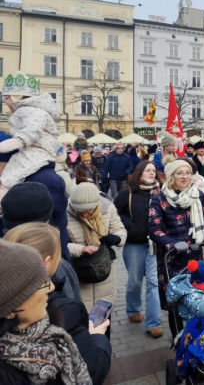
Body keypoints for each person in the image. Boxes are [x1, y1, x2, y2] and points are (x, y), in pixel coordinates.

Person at [4, 223, 112, 384]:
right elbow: (90, 372)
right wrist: (95, 337)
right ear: (46, 262)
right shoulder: (62, 311)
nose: (51, 287)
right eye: (44, 284)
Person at [148, 159, 204, 309]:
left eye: (188, 173)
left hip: (195, 253)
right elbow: (154, 229)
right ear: (171, 176)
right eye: (180, 173)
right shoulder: (159, 199)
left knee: (198, 296)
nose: (185, 177)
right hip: (172, 257)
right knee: (176, 302)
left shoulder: (198, 195)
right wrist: (172, 243)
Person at [114, 160, 163, 338]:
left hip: (154, 244)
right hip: (134, 243)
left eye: (153, 171)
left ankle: (153, 323)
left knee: (153, 283)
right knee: (134, 281)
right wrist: (130, 226)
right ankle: (133, 309)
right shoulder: (127, 193)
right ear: (139, 172)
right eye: (148, 170)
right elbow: (116, 213)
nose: (151, 173)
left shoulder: (160, 192)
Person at [67, 183, 126, 312]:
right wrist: (80, 249)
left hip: (103, 269)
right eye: (80, 210)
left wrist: (116, 238)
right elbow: (59, 245)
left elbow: (120, 230)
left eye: (88, 210)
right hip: (80, 272)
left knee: (103, 316)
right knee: (83, 316)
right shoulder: (64, 214)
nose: (84, 214)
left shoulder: (107, 209)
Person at [0, 72, 60, 196]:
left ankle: (3, 198)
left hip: (37, 152)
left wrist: (17, 141)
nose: (5, 102)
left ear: (16, 97)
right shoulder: (29, 111)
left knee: (10, 176)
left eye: (6, 98)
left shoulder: (33, 112)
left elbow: (31, 132)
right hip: (36, 150)